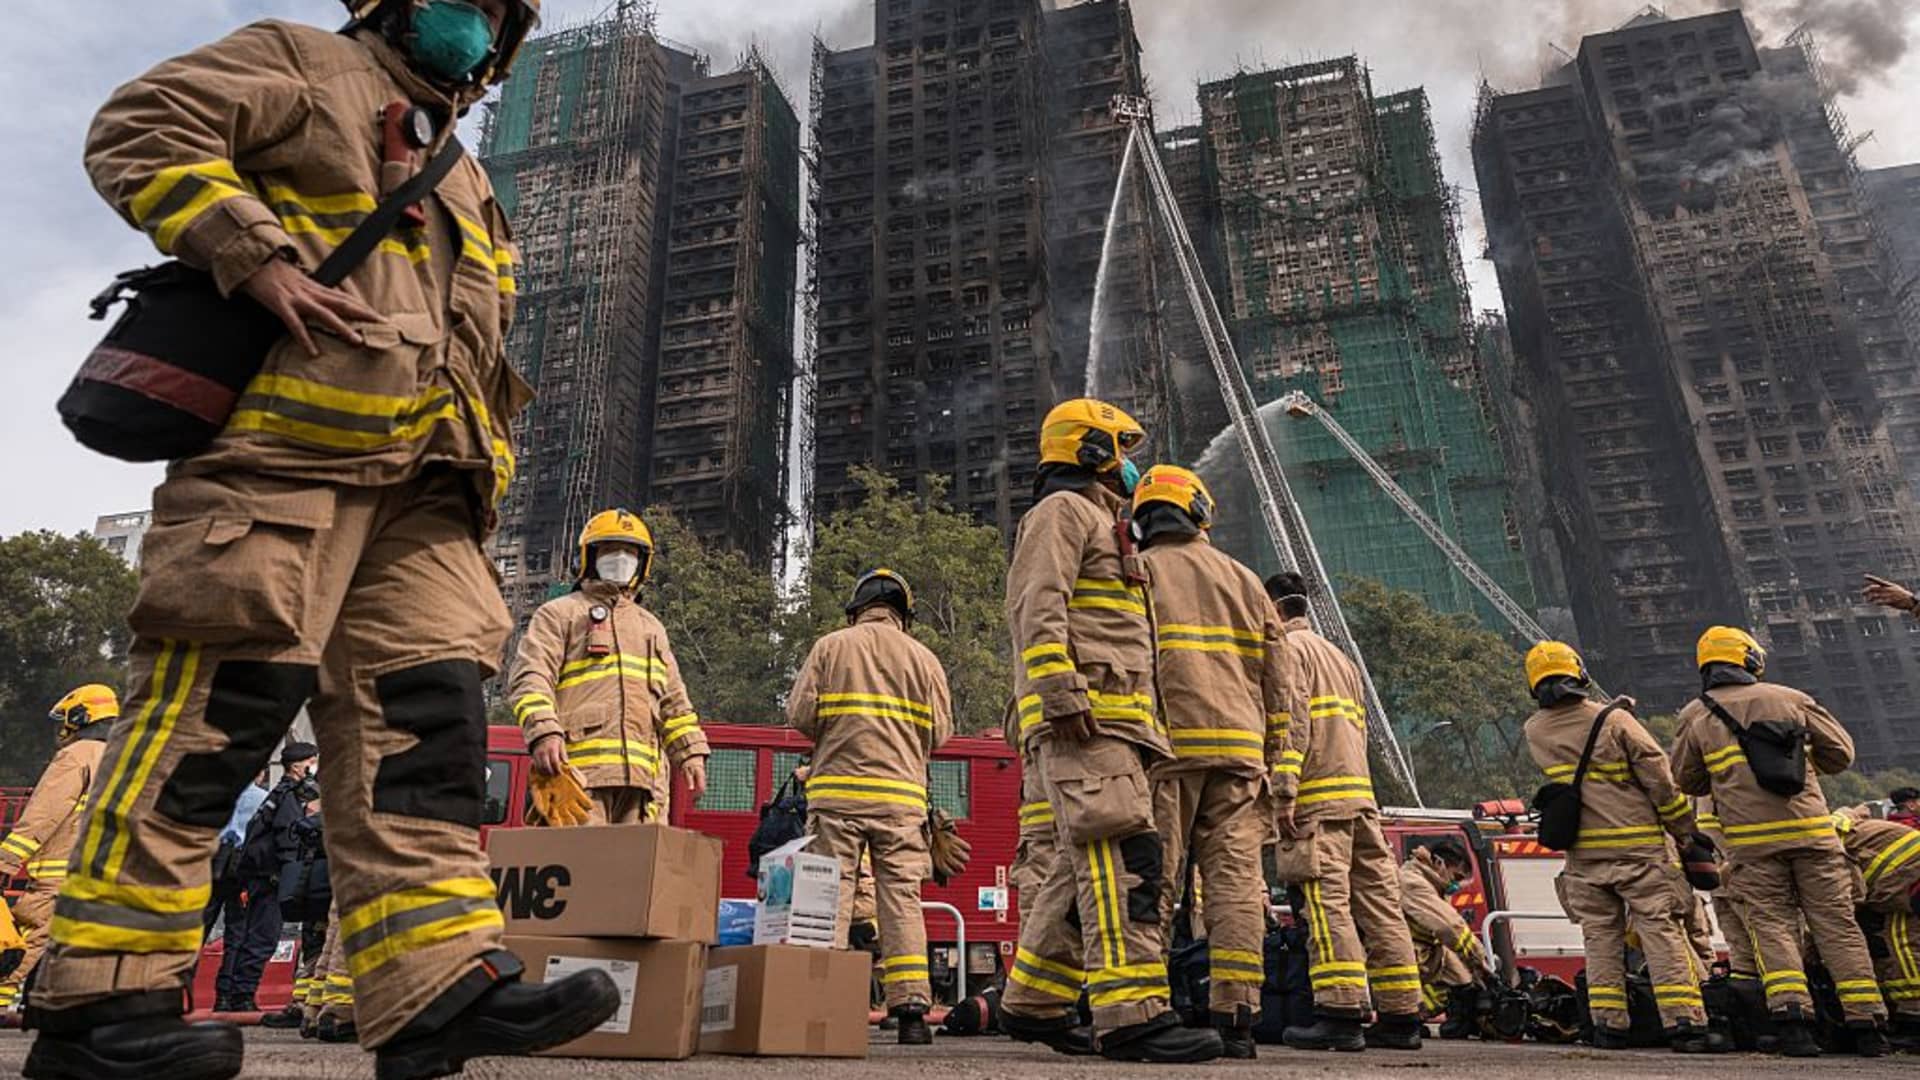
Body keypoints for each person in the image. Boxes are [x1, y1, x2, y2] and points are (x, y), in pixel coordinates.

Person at [30, 3, 626, 1077]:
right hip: (284, 469)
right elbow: (141, 125)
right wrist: (253, 255)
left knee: (429, 738)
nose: (476, 24)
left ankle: (434, 985)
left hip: (431, 497)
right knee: (212, 726)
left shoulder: (462, 170)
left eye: (498, 12)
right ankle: (101, 1004)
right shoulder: (303, 63)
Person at [998, 399, 1222, 1063]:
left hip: (1115, 720)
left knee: (1079, 865)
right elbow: (1038, 606)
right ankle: (1132, 1015)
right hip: (1086, 716)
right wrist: (1061, 691)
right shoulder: (1062, 513)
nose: (1129, 466)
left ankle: (1034, 1001)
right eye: (1119, 450)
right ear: (1090, 449)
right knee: (1125, 859)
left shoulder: (1101, 520)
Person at [1670, 626, 1887, 1057]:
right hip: (1813, 836)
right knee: (1837, 925)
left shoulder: (1697, 715)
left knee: (1772, 928)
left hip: (1751, 846)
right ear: (1749, 659)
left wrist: (1728, 777)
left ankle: (1794, 1024)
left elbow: (1685, 778)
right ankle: (1868, 1025)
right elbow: (1841, 754)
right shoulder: (1791, 698)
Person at [1130, 466, 1288, 1059]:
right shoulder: (1246, 581)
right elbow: (1282, 684)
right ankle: (1238, 1017)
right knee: (1237, 888)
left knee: (1155, 881)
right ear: (1200, 511)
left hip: (1167, 752)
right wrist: (1278, 762)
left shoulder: (1136, 573)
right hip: (1241, 757)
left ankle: (1148, 1010)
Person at [1520, 641, 1725, 1054]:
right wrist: (1684, 830)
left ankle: (1608, 1026)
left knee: (1599, 940)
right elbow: (1661, 781)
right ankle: (1685, 1023)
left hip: (1583, 859)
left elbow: (1579, 743)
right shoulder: (1614, 721)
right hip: (1639, 853)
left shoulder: (1535, 730)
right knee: (1660, 933)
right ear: (1578, 672)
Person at [786, 568, 954, 1045]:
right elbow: (940, 734)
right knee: (901, 900)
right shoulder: (925, 659)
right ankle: (913, 1012)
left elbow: (800, 716)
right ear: (905, 613)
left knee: (831, 895)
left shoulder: (830, 647)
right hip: (901, 801)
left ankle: (825, 1005)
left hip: (837, 795)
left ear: (856, 607)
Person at [1264, 570, 1424, 1053]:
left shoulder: (1289, 652)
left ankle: (1339, 1012)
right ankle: (1401, 1016)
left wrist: (1285, 788)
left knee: (1324, 903)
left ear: (1274, 609)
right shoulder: (1341, 658)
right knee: (1381, 908)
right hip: (1361, 801)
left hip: (1317, 802)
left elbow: (1291, 723)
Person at [507, 509, 710, 824]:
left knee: (637, 872)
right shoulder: (559, 614)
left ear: (643, 563)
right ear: (590, 557)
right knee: (580, 869)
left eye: (629, 552)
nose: (620, 558)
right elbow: (530, 678)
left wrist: (691, 751)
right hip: (578, 777)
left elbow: (674, 701)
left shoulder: (651, 628)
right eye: (610, 550)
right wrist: (544, 731)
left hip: (644, 787)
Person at [0, 686, 117, 1015]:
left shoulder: (78, 755)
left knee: (29, 937)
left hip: (63, 870)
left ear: (81, 717)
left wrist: (6, 862)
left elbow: (44, 813)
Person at [214, 743, 316, 1014]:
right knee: (264, 938)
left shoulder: (276, 795)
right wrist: (289, 874)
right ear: (297, 766)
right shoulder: (288, 797)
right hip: (272, 877)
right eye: (311, 762)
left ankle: (236, 994)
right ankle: (243, 995)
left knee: (247, 936)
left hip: (258, 875)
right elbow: (288, 837)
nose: (314, 767)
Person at [1829, 806, 1920, 1048]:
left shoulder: (1829, 844)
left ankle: (1914, 1017)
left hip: (1909, 879)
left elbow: (1850, 898)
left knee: (1902, 944)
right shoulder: (1846, 828)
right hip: (1906, 877)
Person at [1397, 837, 1488, 1039]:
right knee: (1457, 962)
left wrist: (1475, 974)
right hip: (1402, 954)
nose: (1456, 885)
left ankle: (1461, 1014)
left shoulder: (1433, 883)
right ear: (1438, 863)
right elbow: (1450, 927)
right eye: (1456, 877)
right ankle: (1404, 1016)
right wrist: (1483, 962)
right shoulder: (1413, 882)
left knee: (1462, 976)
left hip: (1422, 952)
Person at [203, 771, 269, 942]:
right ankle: (229, 968)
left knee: (204, 916)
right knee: (237, 922)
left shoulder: (218, 795)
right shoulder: (263, 797)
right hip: (243, 860)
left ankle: (188, 965)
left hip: (216, 857)